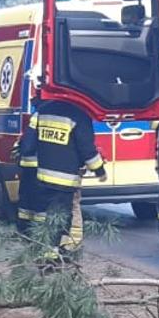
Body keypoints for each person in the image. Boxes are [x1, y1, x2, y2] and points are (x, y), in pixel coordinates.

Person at [15, 98, 105, 252]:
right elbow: (87, 150)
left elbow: (28, 146)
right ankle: (57, 252)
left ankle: (41, 247)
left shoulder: (42, 112)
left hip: (42, 176)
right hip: (66, 180)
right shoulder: (79, 115)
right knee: (62, 217)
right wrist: (99, 170)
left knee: (42, 215)